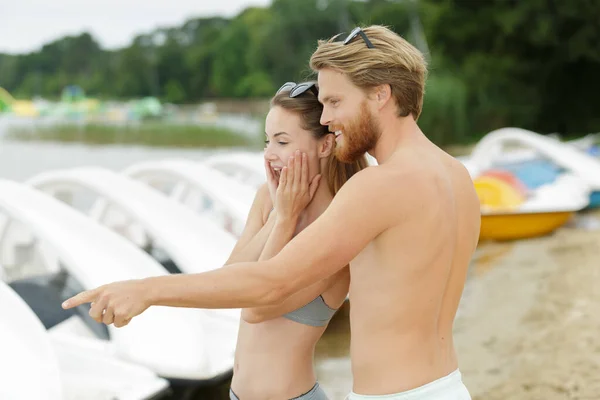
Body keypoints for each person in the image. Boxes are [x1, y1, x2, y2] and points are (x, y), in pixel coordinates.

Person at [63, 25, 481, 400]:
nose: (328, 117)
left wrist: (146, 290)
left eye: (336, 101)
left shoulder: (378, 185)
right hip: (447, 386)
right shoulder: (455, 175)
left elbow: (271, 285)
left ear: (381, 94)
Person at [225, 81, 366, 400]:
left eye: (283, 141)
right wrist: (278, 213)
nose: (269, 154)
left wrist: (286, 218)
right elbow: (229, 280)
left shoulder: (338, 225)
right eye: (267, 141)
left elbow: (254, 307)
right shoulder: (268, 199)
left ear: (325, 146)